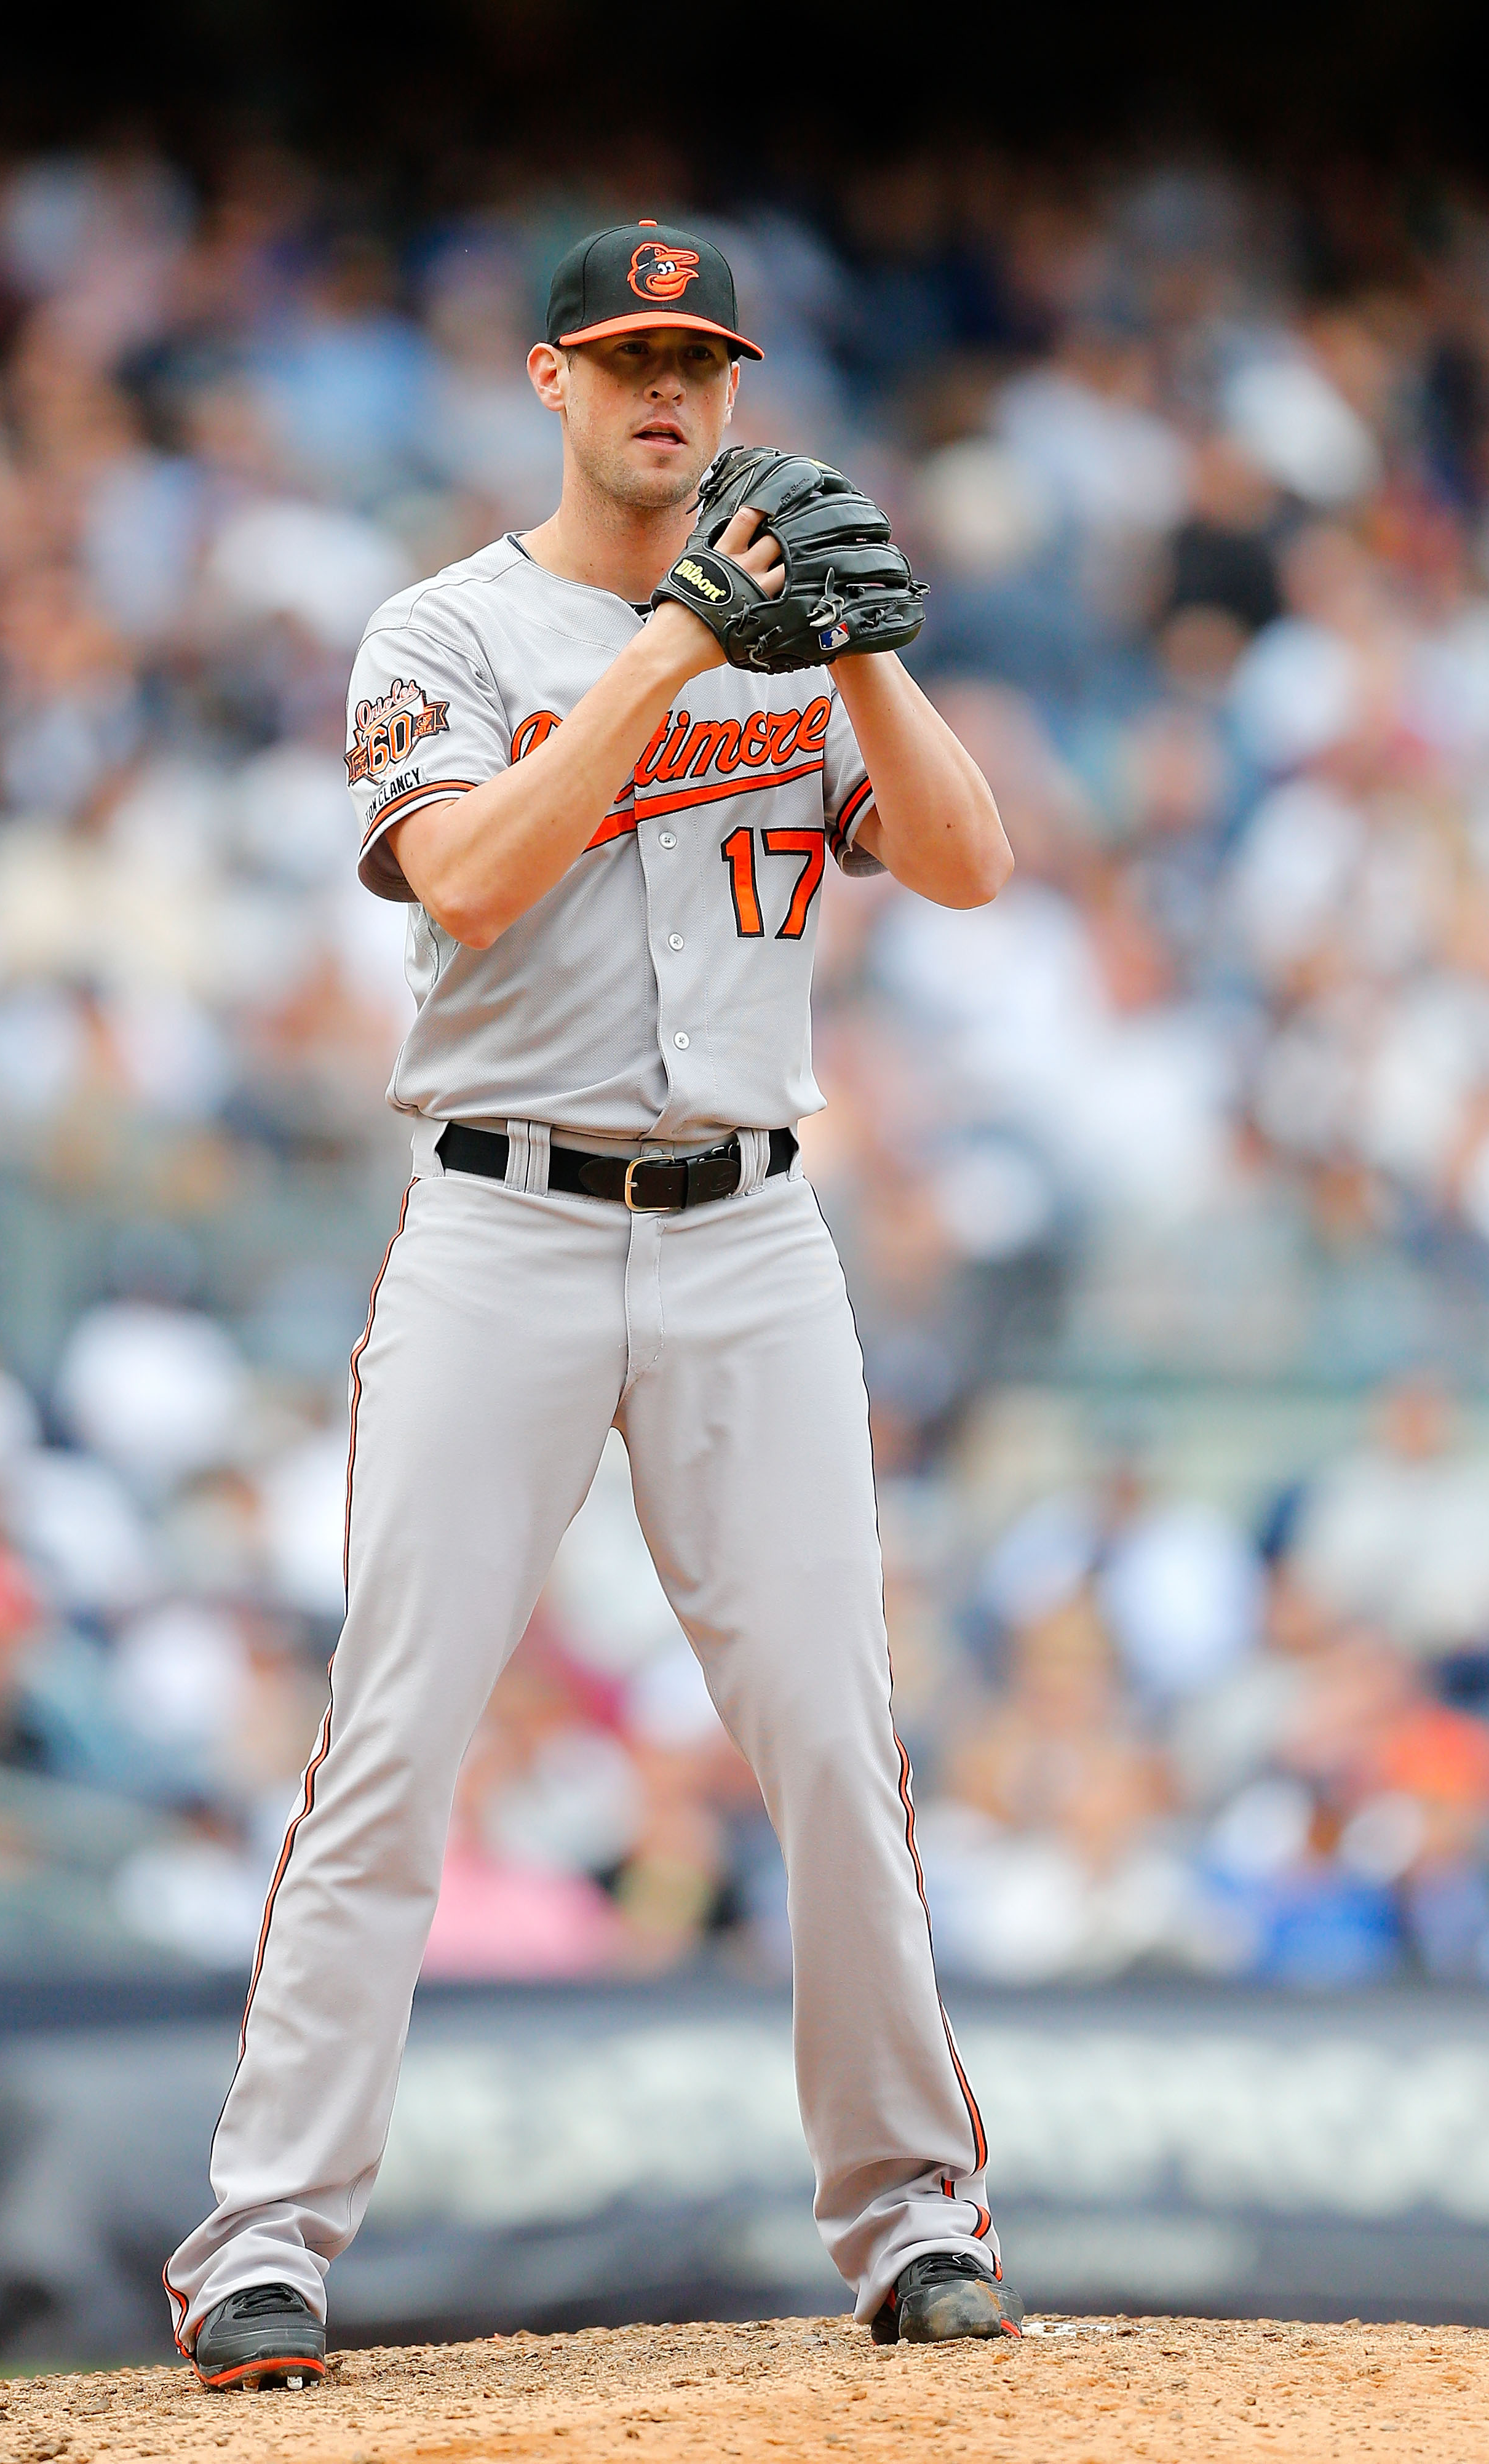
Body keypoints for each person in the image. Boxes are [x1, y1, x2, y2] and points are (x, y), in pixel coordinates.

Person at [165, 221, 1020, 2391]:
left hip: (751, 1236)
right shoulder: (441, 627)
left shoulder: (784, 631)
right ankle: (262, 2240)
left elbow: (964, 862)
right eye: (631, 352)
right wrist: (674, 645)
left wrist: (858, 652)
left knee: (835, 1740)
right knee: (396, 1738)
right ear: (550, 380)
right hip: (500, 1227)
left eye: (701, 358)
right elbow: (459, 872)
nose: (671, 388)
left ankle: (915, 2218)